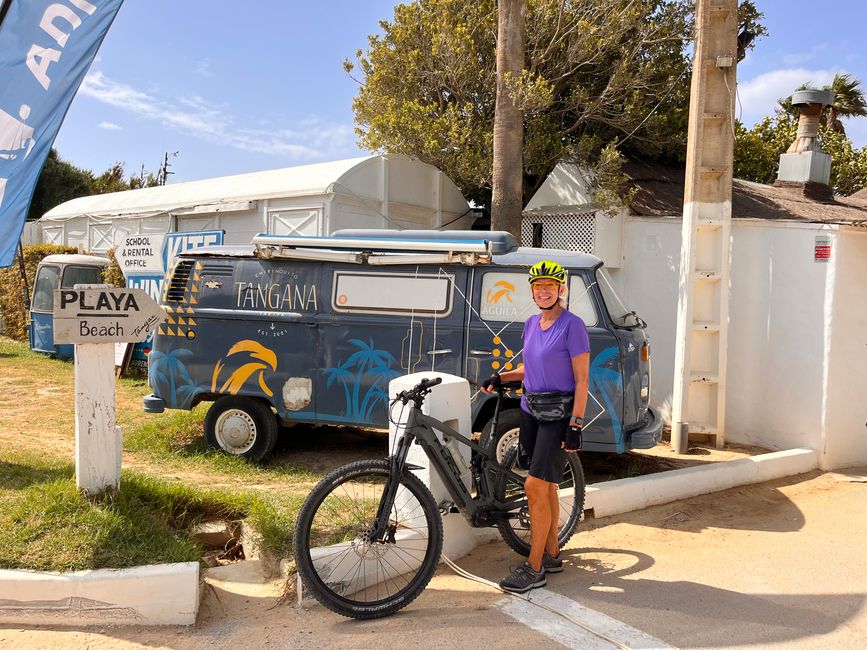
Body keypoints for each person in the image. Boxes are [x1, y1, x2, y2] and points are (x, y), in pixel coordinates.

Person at [482, 260, 590, 593]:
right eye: (538, 286)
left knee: (533, 485)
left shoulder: (573, 326)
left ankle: (535, 566)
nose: (543, 292)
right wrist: (502, 376)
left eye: (549, 286)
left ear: (561, 291)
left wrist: (576, 423)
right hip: (530, 410)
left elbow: (582, 379)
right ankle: (554, 554)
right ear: (532, 291)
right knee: (547, 486)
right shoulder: (531, 323)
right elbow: (531, 367)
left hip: (558, 415)